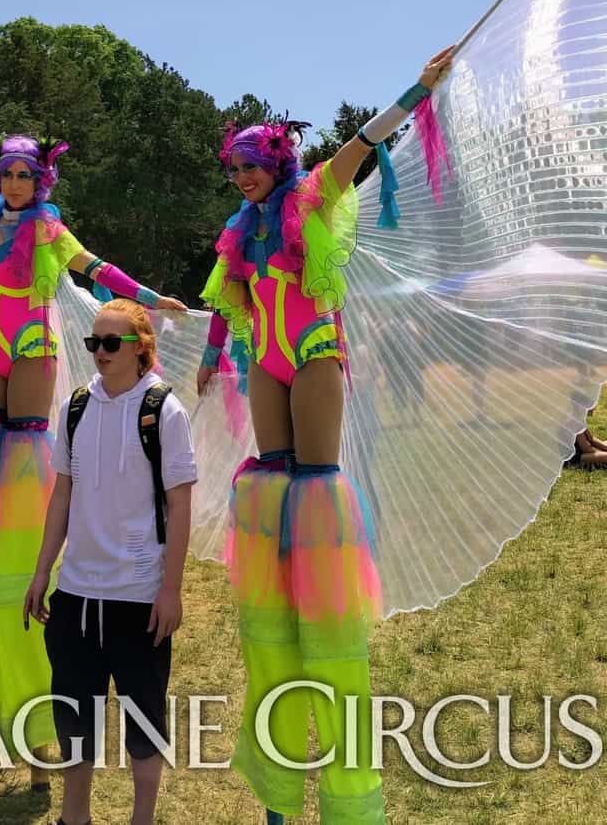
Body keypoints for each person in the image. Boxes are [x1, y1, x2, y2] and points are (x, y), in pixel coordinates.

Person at [197, 47, 453, 825]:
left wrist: (418, 89)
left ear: (276, 161)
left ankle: (323, 616)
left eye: (251, 165)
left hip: (311, 351)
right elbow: (226, 302)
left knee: (313, 487)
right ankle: (279, 754)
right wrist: (211, 356)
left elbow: (365, 141)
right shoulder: (239, 229)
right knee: (269, 480)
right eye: (234, 168)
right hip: (263, 361)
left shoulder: (312, 194)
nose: (242, 177)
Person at [0, 135, 185, 785]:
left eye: (27, 174)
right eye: (8, 173)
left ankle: (39, 735)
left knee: (22, 472)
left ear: (41, 178)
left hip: (29, 346)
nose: (16, 183)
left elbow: (97, 268)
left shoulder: (47, 227)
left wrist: (148, 298)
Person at [24, 299, 197, 825]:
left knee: (144, 721)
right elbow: (62, 494)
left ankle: (142, 818)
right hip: (77, 595)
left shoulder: (165, 411)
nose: (100, 351)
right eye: (93, 342)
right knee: (74, 718)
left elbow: (180, 504)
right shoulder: (76, 407)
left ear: (140, 348)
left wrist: (171, 589)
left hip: (139, 598)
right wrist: (42, 571)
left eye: (111, 342)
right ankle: (74, 817)